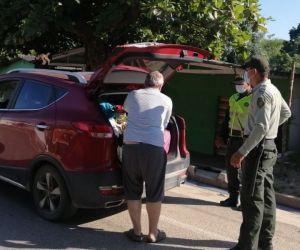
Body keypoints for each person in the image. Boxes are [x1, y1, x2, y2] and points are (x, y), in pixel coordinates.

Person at [230, 56, 291, 250]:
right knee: (266, 195)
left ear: (254, 71)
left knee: (251, 198)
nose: (245, 74)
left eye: (246, 70)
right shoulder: (274, 90)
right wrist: (271, 131)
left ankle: (247, 246)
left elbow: (261, 127)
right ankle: (265, 243)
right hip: (268, 147)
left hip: (258, 149)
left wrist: (241, 151)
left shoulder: (261, 93)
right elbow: (286, 113)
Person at [122, 71, 172, 243]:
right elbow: (164, 124)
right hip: (153, 149)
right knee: (154, 191)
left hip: (130, 147)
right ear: (160, 85)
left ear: (145, 83)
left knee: (133, 190)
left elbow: (127, 111)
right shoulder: (166, 100)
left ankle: (136, 232)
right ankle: (152, 233)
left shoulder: (132, 95)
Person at [215, 76, 252, 208]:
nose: (238, 86)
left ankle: (246, 202)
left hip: (246, 139)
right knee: (231, 170)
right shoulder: (233, 98)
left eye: (241, 84)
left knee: (246, 171)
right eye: (236, 84)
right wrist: (221, 136)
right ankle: (232, 198)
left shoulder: (254, 99)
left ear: (248, 84)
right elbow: (227, 119)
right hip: (232, 138)